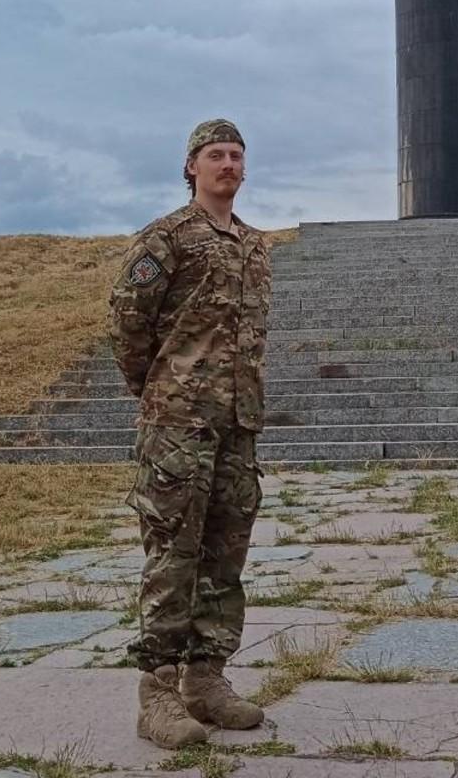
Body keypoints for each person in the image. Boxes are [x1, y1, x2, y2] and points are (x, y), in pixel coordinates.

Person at [108, 118, 273, 747]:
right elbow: (128, 324)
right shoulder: (168, 238)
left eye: (235, 155)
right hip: (178, 426)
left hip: (237, 425)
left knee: (225, 556)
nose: (227, 164)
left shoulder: (255, 246)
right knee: (172, 556)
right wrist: (158, 392)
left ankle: (206, 681)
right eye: (215, 155)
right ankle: (158, 693)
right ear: (191, 167)